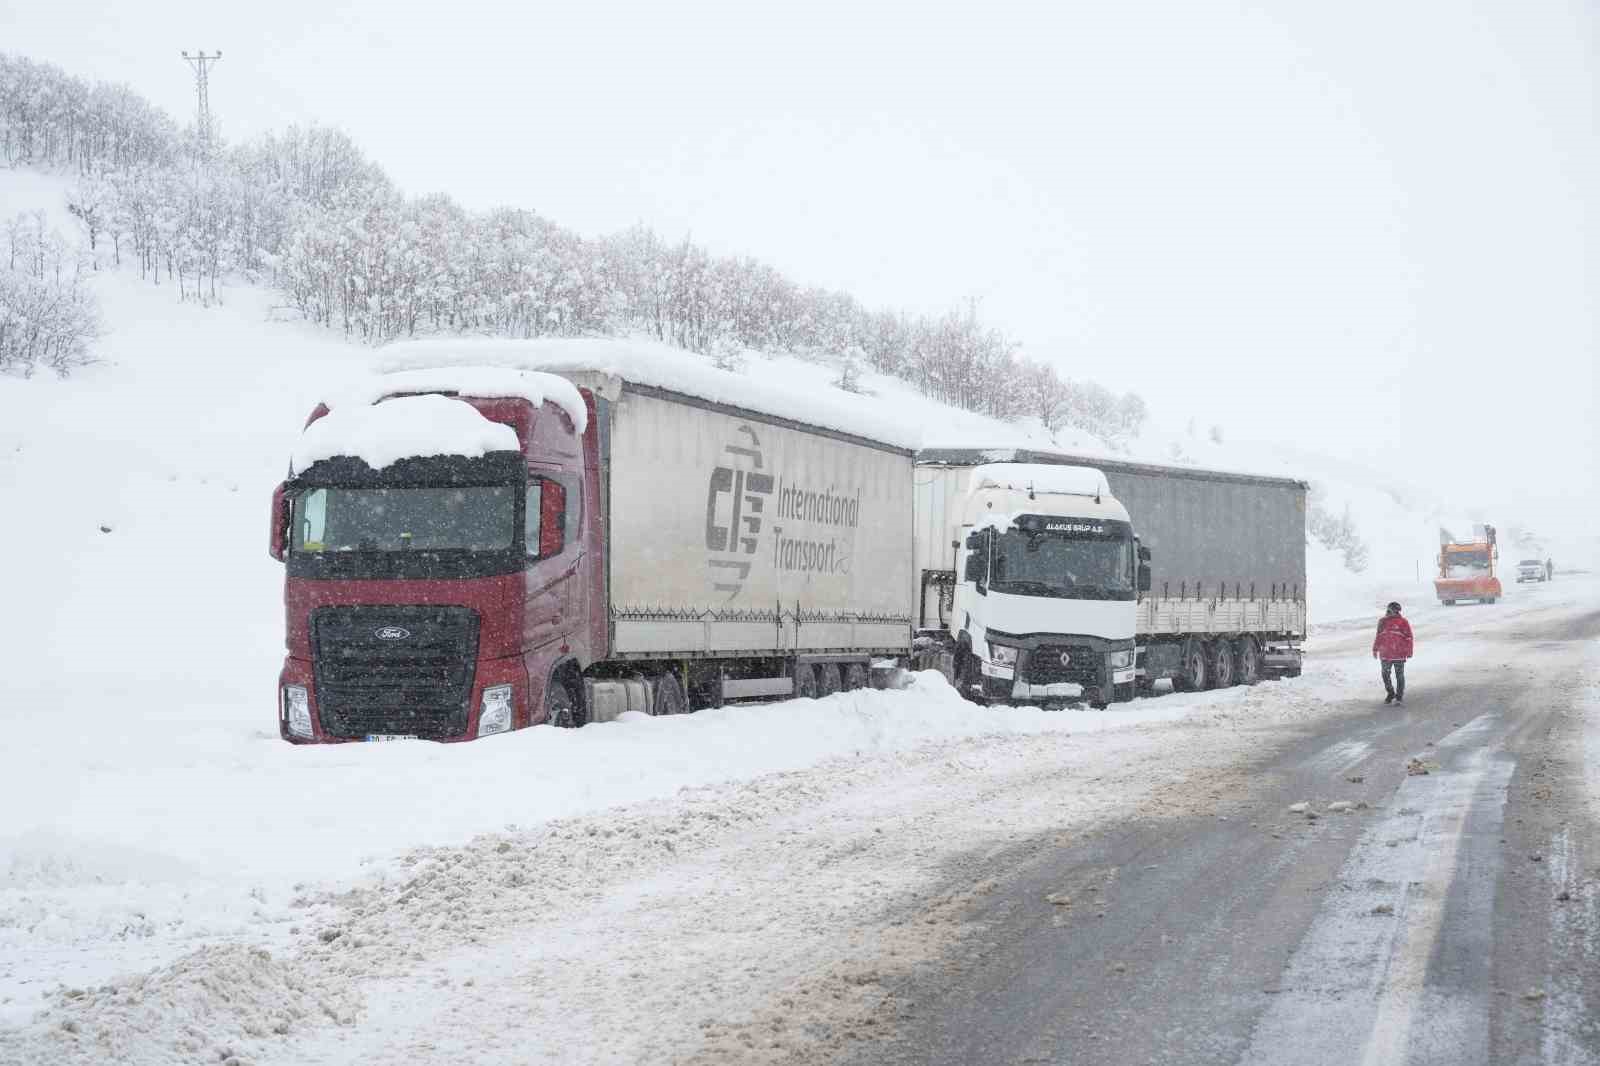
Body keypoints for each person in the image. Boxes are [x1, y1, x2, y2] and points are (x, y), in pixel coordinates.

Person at [1373, 601, 1414, 704]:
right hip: (1385, 654)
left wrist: (1409, 651)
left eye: (1395, 610)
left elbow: (1409, 637)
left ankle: (1399, 696)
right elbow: (1378, 636)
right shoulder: (1382, 622)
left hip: (1399, 654)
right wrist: (1375, 648)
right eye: (1390, 610)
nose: (1391, 612)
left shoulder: (1403, 622)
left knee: (1399, 675)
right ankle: (1390, 693)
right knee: (1385, 674)